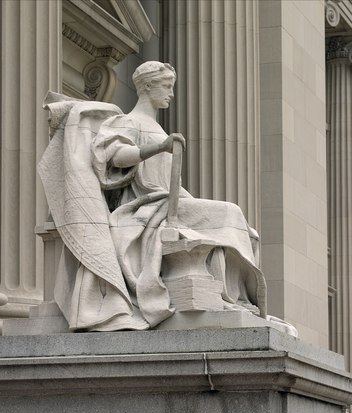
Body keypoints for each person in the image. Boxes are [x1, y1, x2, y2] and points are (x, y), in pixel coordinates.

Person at [38, 61, 265, 331]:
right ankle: (229, 298)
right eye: (166, 86)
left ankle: (235, 299)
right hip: (144, 207)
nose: (171, 93)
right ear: (147, 86)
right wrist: (159, 147)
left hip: (170, 201)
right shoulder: (128, 122)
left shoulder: (156, 127)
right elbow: (115, 157)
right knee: (229, 213)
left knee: (245, 229)